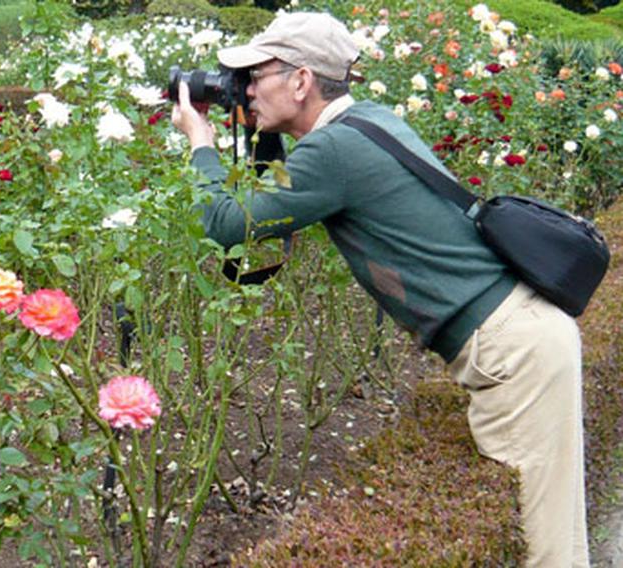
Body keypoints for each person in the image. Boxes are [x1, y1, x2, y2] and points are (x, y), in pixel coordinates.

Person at [171, 12, 588, 568]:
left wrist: (200, 142)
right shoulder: (365, 121)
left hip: (515, 350)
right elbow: (274, 199)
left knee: (546, 548)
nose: (243, 90)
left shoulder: (333, 152)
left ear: (301, 81)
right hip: (521, 332)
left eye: (256, 75)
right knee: (544, 529)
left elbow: (228, 226)